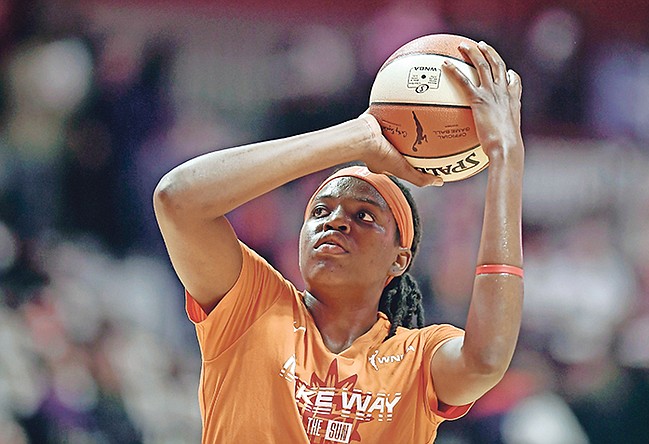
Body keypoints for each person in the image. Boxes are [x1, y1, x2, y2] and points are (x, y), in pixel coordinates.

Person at [153, 40, 524, 443]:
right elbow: (177, 200)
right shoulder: (253, 307)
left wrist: (506, 154)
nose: (336, 222)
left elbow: (486, 360)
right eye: (320, 211)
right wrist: (360, 135)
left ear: (399, 260)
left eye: (363, 216)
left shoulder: (418, 356)